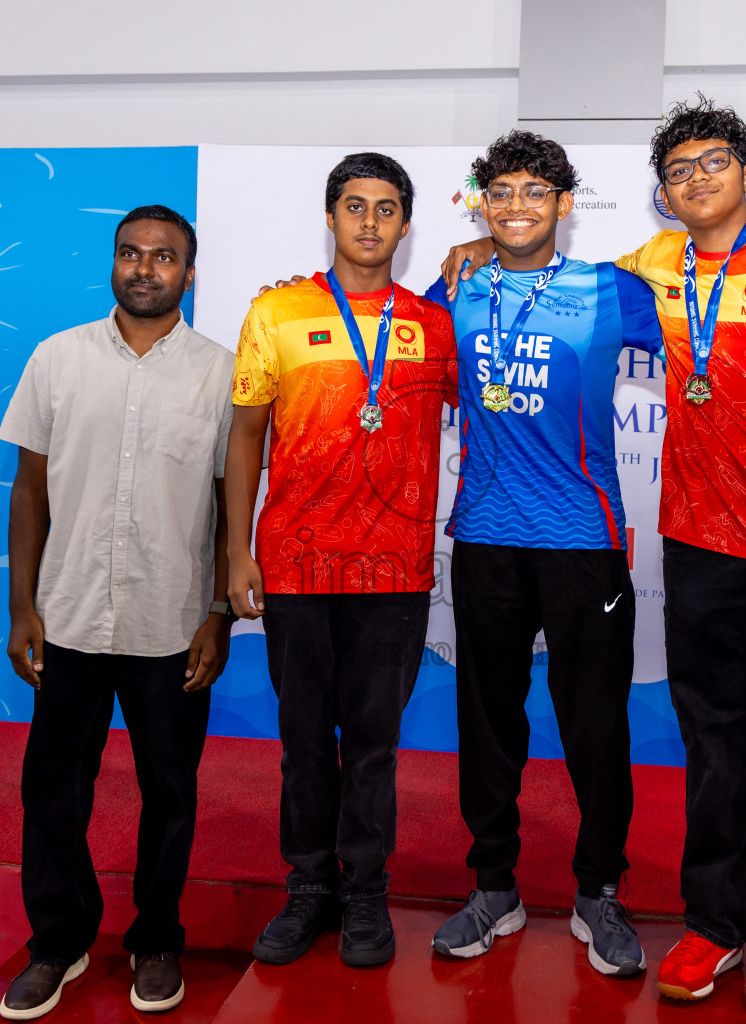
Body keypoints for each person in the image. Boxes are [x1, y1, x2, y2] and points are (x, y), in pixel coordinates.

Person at [441, 98, 746, 1014]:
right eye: (678, 170)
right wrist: (475, 255)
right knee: (714, 747)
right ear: (660, 192)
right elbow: (504, 280)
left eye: (712, 163)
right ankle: (718, 924)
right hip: (694, 549)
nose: (695, 179)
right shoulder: (638, 271)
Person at [416, 131, 663, 978]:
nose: (516, 206)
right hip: (484, 537)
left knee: (595, 725)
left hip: (583, 544)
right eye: (501, 192)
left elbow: (708, 336)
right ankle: (494, 887)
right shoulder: (453, 286)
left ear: (564, 204)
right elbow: (387, 350)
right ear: (483, 201)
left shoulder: (615, 291)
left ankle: (599, 891)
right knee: (488, 724)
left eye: (535, 191)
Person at [0, 204, 236, 1019]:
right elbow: (30, 493)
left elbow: (228, 509)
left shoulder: (220, 372)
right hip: (66, 620)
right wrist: (21, 607)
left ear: (188, 273)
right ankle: (57, 944)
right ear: (113, 263)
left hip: (172, 626)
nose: (145, 269)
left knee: (171, 789)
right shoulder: (56, 359)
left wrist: (218, 614)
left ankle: (157, 937)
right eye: (131, 254)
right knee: (54, 789)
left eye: (164, 257)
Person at [225, 153, 456, 968]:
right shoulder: (276, 311)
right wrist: (236, 551)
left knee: (373, 743)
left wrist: (483, 265)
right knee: (301, 741)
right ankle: (308, 887)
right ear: (330, 217)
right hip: (294, 564)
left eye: (386, 208)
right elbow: (246, 434)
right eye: (353, 206)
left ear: (404, 222)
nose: (368, 222)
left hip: (392, 571)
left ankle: (365, 892)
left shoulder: (435, 324)